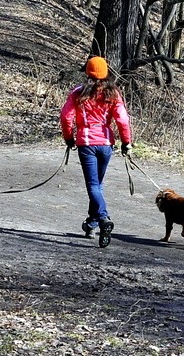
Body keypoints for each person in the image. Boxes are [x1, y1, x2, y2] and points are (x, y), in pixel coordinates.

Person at [60, 56, 132, 248]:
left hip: (86, 143)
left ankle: (103, 218)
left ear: (87, 72)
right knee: (97, 185)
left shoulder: (78, 93)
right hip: (106, 144)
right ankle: (91, 224)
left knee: (93, 186)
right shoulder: (114, 93)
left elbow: (66, 117)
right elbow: (123, 121)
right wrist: (127, 142)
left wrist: (68, 138)